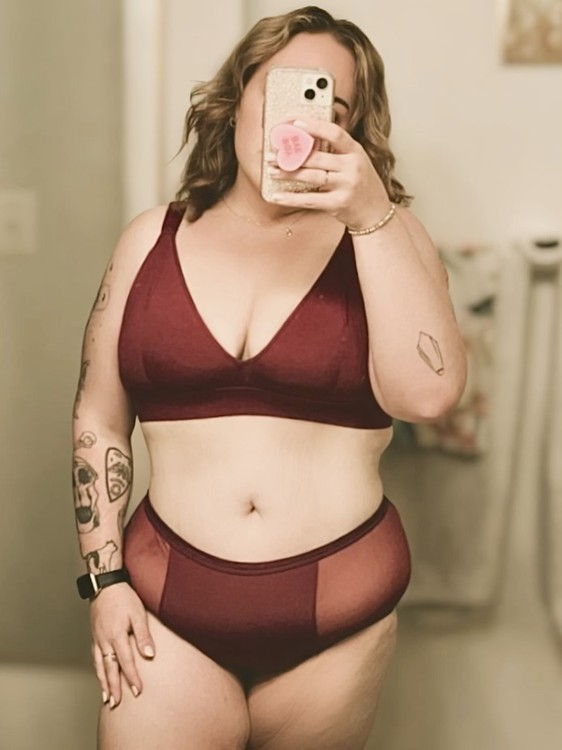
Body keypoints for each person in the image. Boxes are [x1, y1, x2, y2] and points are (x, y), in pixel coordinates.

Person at [72, 6, 467, 749]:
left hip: (339, 614)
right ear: (237, 98)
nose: (300, 120)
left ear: (351, 132)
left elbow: (428, 396)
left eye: (330, 107)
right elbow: (99, 417)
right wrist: (103, 581)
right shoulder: (149, 239)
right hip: (162, 608)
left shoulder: (385, 237)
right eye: (285, 89)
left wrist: (371, 213)